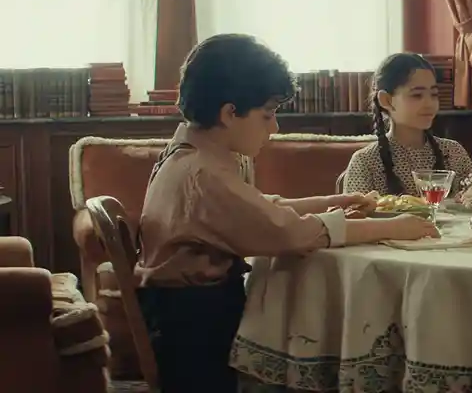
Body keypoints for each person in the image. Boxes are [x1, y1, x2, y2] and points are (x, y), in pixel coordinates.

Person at [135, 34, 439, 393]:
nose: (274, 127)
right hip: (195, 329)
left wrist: (337, 201)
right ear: (229, 113)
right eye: (268, 114)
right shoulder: (203, 174)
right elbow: (290, 233)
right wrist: (393, 227)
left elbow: (263, 208)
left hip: (188, 313)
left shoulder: (194, 155)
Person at [343, 53, 472, 195]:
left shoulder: (454, 153)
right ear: (386, 100)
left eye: (434, 94)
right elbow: (355, 209)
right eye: (417, 95)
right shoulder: (365, 162)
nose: (429, 104)